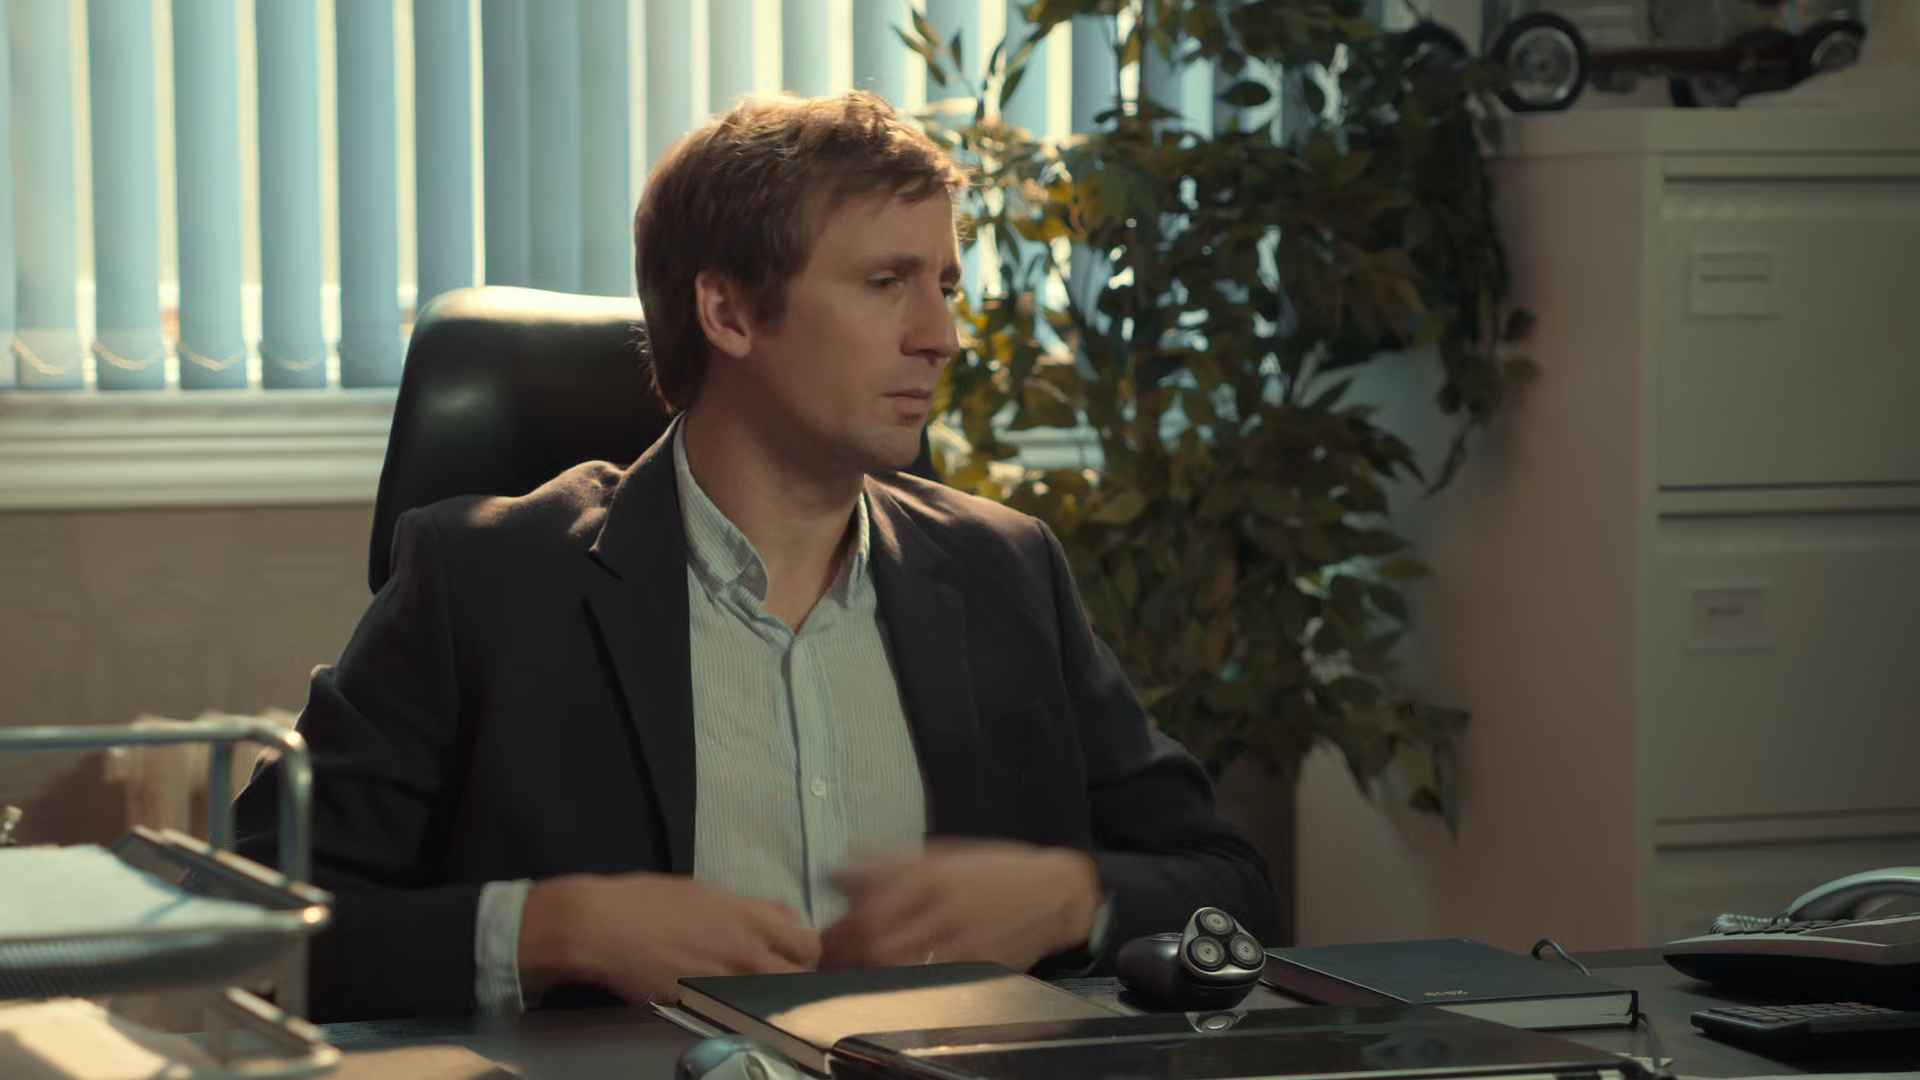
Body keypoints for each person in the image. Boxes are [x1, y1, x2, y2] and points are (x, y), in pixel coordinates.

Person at [233, 90, 1276, 1023]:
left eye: (946, 286)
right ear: (728, 312)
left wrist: (1071, 897)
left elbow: (1231, 882)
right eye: (887, 282)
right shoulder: (481, 584)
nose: (941, 336)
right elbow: (242, 920)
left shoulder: (1007, 572)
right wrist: (552, 930)